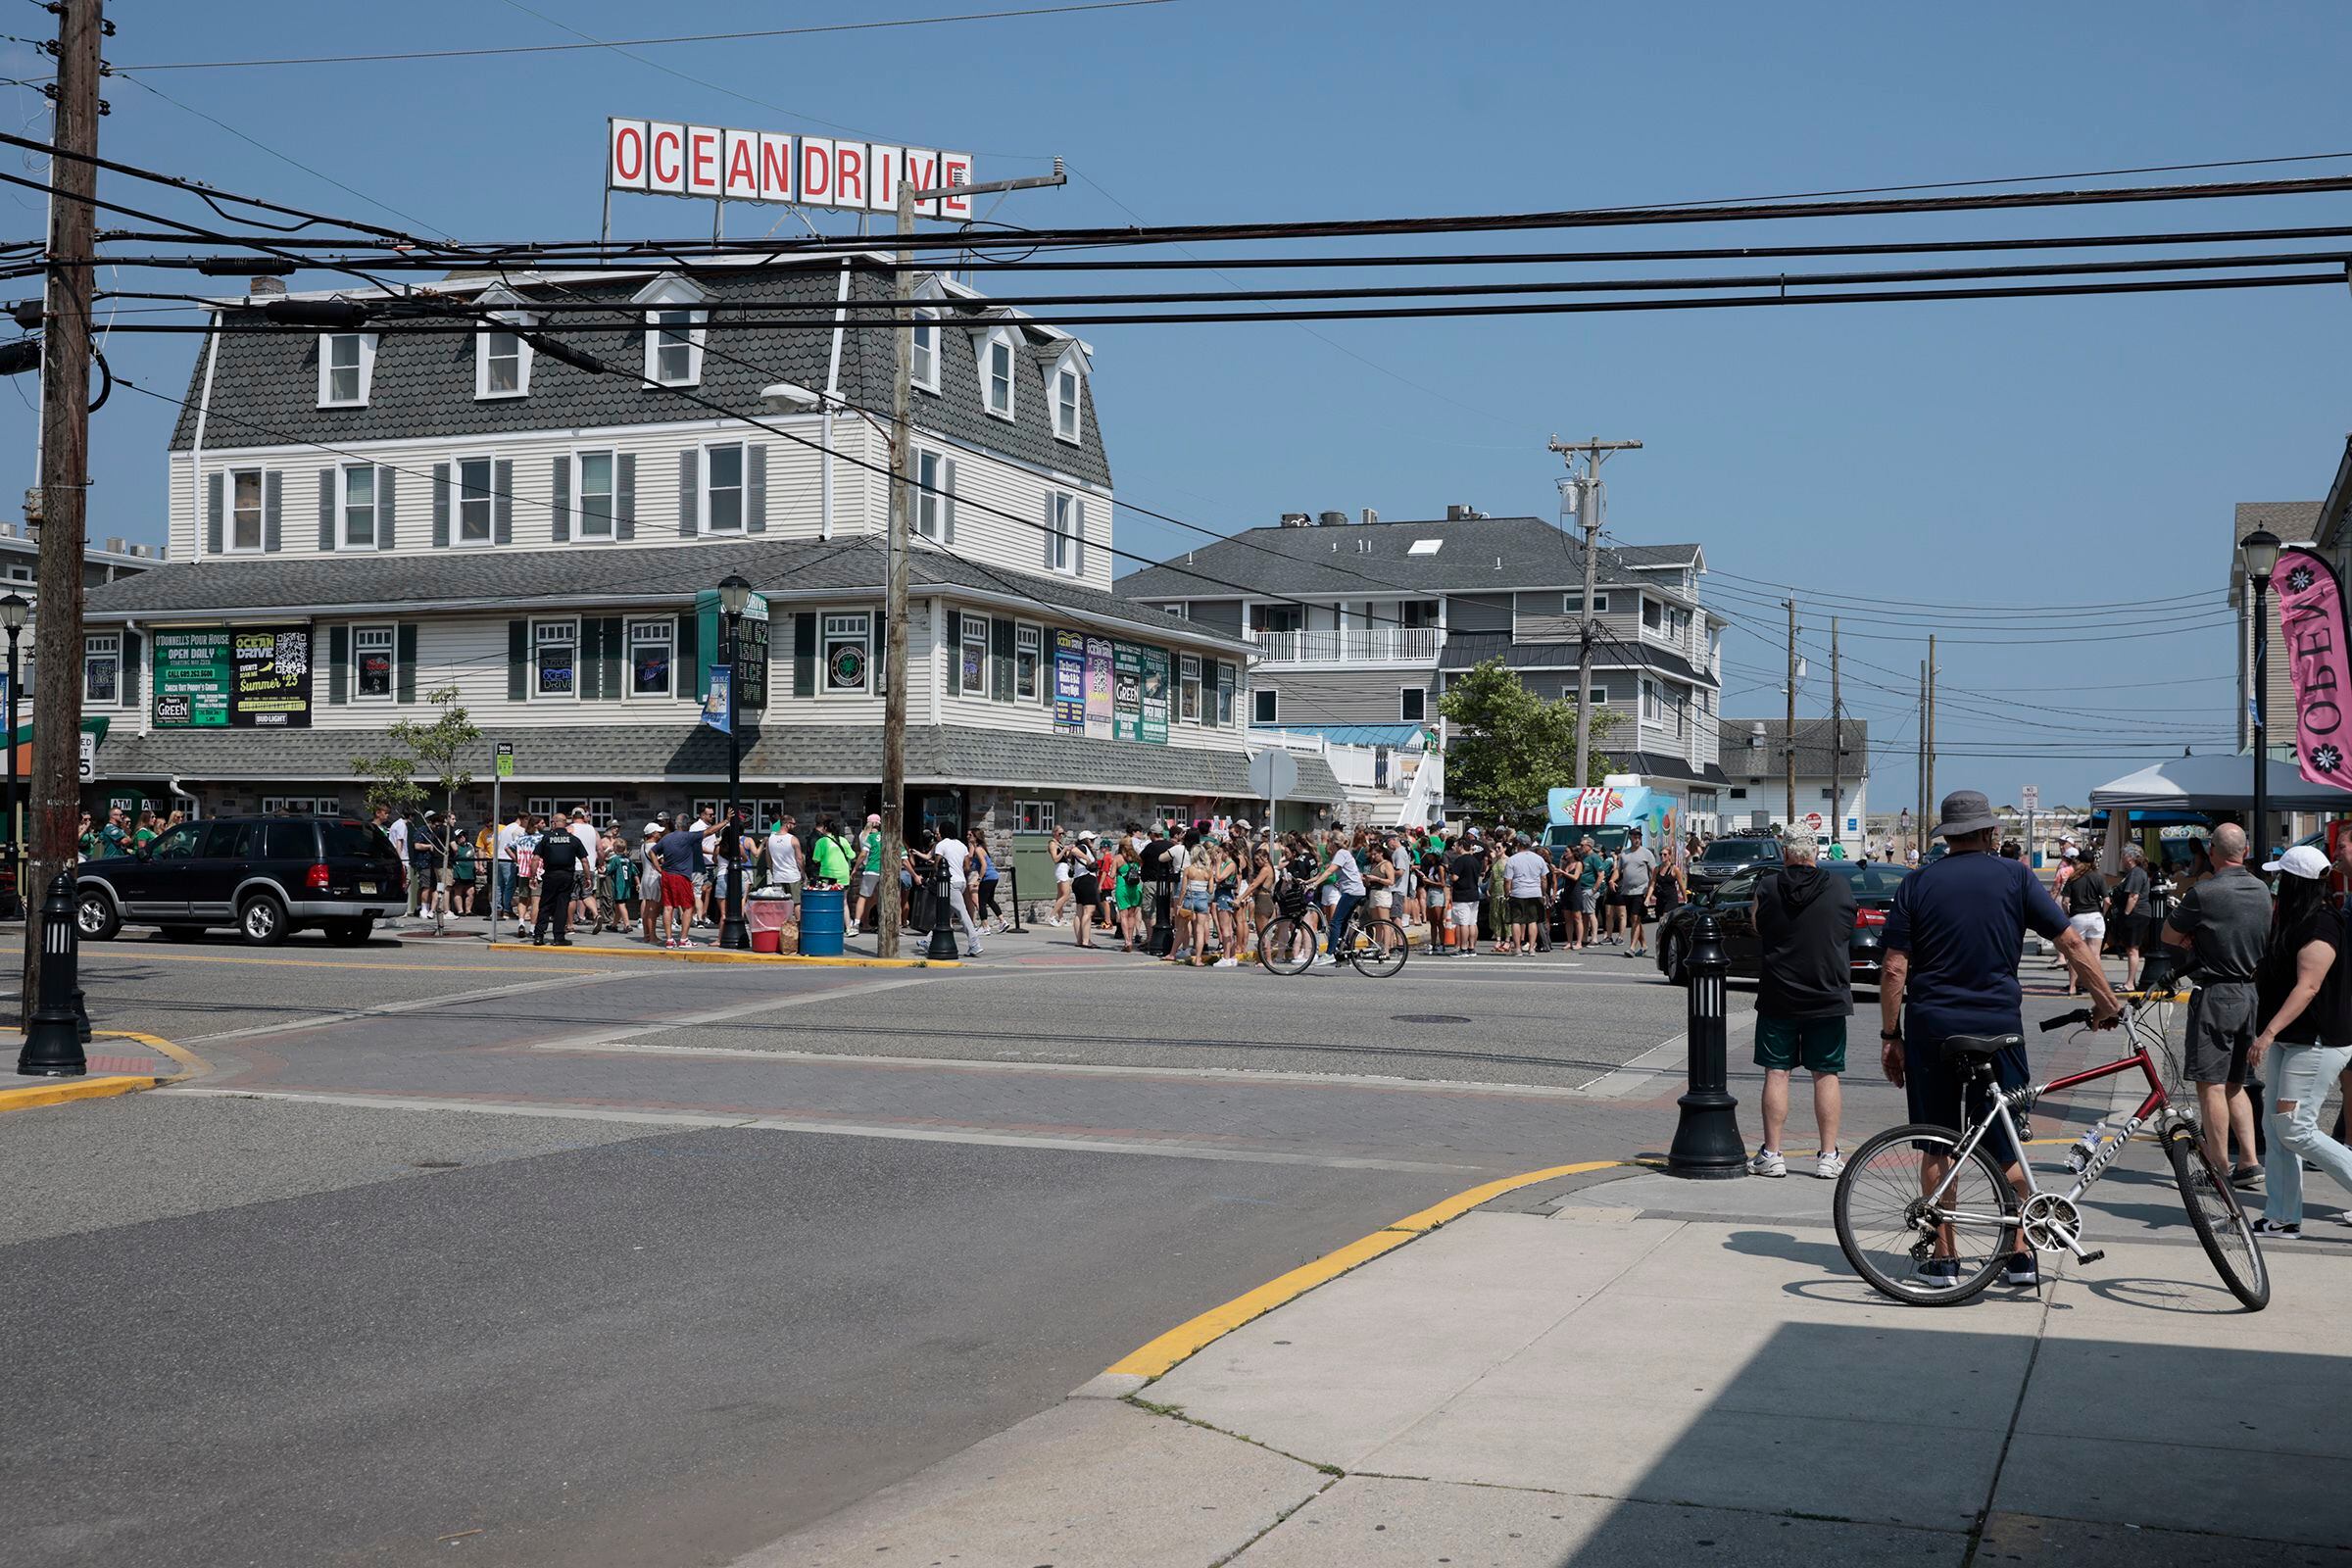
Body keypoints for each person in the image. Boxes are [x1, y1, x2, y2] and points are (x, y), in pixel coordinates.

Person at [1881, 790, 2121, 1290]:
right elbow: (2071, 943)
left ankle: (1944, 1259)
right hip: (1999, 1027)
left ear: (1947, 836)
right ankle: (2020, 1253)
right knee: (2005, 1141)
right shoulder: (2016, 877)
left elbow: (1894, 968)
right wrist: (2106, 1003)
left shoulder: (1917, 883)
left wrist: (1890, 1035)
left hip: (1933, 1027)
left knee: (1936, 1143)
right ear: (1990, 833)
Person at [2244, 845, 2352, 1237]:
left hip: (2315, 1043)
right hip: (2294, 1041)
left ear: (2295, 883)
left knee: (2295, 1129)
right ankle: (2283, 1216)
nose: (2274, 883)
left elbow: (2308, 987)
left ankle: (2286, 1214)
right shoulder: (2296, 919)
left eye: (2280, 877)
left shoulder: (2321, 924)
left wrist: (2267, 1034)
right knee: (2276, 1129)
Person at [2162, 822, 2269, 1184]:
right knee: (2237, 1081)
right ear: (2247, 850)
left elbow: (2169, 934)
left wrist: (2195, 938)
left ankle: (2219, 1167)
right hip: (2250, 991)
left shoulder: (2204, 893)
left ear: (2211, 852)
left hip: (2216, 992)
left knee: (2210, 1084)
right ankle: (2249, 1161)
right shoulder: (2262, 890)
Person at [1748, 829, 1855, 1179]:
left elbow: (1757, 926)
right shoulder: (1839, 887)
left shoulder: (1767, 887)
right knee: (1826, 1073)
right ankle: (1827, 1154)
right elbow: (1846, 929)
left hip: (1779, 993)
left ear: (1785, 852)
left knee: (1777, 1072)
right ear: (1816, 852)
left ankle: (1773, 1153)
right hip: (1827, 993)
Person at [2059, 850, 2108, 998]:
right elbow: (2107, 900)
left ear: (2079, 861)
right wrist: (2102, 914)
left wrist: (2067, 913)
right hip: (2095, 917)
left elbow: (2065, 901)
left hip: (2077, 917)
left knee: (2075, 954)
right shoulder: (2098, 878)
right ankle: (2095, 986)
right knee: (2095, 955)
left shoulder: (2073, 878)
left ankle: (2073, 987)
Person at [932, 821, 983, 956]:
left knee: (962, 913)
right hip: (961, 881)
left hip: (949, 882)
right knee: (944, 915)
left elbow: (937, 865)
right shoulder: (961, 845)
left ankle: (974, 943)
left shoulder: (941, 845)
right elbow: (967, 866)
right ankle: (928, 941)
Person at [532, 809, 583, 947]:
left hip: (550, 875)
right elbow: (584, 860)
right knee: (561, 906)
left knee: (545, 906)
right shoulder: (573, 839)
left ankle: (538, 936)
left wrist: (532, 876)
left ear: (554, 823)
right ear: (565, 824)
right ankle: (558, 938)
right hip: (566, 876)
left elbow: (535, 859)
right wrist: (588, 878)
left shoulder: (546, 838)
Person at [654, 816, 705, 950]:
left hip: (666, 875)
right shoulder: (688, 836)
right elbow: (709, 831)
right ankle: (683, 939)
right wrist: (726, 822)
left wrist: (658, 868)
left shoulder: (667, 838)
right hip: (681, 875)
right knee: (688, 906)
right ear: (687, 825)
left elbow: (652, 852)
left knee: (668, 906)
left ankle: (670, 940)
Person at [2111, 843, 2152, 989]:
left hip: (2136, 914)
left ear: (2129, 858)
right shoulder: (2137, 872)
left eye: (2123, 856)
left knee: (2132, 949)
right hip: (2139, 913)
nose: (2121, 859)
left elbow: (2133, 896)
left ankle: (2130, 983)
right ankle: (2130, 981)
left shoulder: (2136, 873)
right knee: (2131, 949)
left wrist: (2126, 914)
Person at [1502, 835, 1548, 956]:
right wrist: (1543, 893)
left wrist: (1507, 893)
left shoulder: (1513, 859)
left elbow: (1507, 880)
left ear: (1518, 845)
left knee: (1516, 921)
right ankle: (1531, 948)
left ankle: (1517, 949)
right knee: (1533, 921)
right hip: (1534, 892)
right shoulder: (1539, 859)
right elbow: (1544, 878)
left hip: (1518, 892)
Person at [1616, 828, 1659, 957]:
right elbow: (1618, 870)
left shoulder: (1646, 853)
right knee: (1635, 919)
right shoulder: (1624, 854)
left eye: (1639, 837)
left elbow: (1654, 872)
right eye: (1634, 837)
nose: (1637, 839)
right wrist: (1613, 880)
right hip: (1627, 891)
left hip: (1641, 890)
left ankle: (1632, 947)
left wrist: (1651, 889)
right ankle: (1644, 944)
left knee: (1635, 918)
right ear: (1630, 838)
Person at [1447, 836, 1486, 956]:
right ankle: (1471, 947)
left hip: (1462, 895)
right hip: (1474, 894)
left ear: (1461, 846)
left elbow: (1455, 877)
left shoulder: (1460, 860)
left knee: (1463, 923)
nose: (1455, 848)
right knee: (1472, 922)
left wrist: (1449, 876)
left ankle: (1463, 948)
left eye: (1456, 845)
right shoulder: (1475, 860)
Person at [1070, 829, 1103, 949]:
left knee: (1079, 912)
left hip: (1078, 881)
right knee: (1088, 912)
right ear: (1086, 840)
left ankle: (1079, 940)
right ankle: (1086, 940)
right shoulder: (1083, 847)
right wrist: (1089, 860)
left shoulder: (1083, 848)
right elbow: (1073, 850)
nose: (1093, 842)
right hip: (1087, 881)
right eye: (1091, 840)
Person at [853, 812, 884, 932]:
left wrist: (855, 868)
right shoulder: (878, 836)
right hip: (879, 868)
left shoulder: (862, 835)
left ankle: (860, 922)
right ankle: (871, 921)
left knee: (865, 897)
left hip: (868, 868)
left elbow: (862, 853)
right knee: (876, 898)